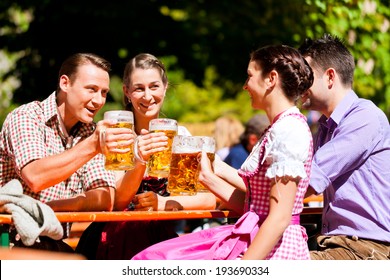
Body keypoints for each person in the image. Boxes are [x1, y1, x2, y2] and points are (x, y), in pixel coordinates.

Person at [132, 44, 314, 260]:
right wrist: (207, 175)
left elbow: (279, 218)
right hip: (259, 237)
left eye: (249, 76)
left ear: (271, 79)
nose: (245, 86)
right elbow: (253, 205)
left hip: (275, 252)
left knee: (157, 259)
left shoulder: (289, 130)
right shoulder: (278, 128)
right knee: (154, 257)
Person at [76, 53, 216, 259]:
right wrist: (140, 158)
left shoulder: (181, 137)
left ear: (165, 87)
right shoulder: (115, 134)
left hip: (161, 242)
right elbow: (117, 202)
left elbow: (208, 198)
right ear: (126, 92)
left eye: (154, 86)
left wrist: (162, 203)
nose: (147, 96)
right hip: (112, 241)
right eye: (139, 88)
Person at [0, 53, 116, 252]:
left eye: (104, 92)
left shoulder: (89, 132)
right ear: (65, 83)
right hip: (8, 239)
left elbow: (106, 197)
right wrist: (92, 146)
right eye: (91, 89)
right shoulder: (27, 117)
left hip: (50, 242)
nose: (98, 100)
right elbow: (35, 176)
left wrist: (54, 207)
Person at [298, 34, 390, 260]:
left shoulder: (364, 117)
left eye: (304, 76)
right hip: (338, 242)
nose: (297, 83)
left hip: (369, 249)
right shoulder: (326, 127)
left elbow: (304, 184)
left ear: (330, 76)